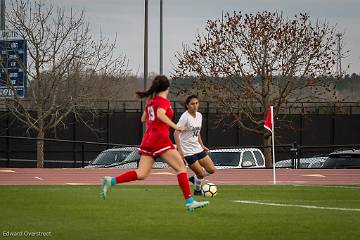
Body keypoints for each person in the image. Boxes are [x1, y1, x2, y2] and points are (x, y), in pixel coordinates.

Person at [101, 75, 209, 211]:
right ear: (167, 87)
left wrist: (154, 123)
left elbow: (143, 119)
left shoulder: (151, 101)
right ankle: (189, 201)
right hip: (160, 139)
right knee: (181, 168)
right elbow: (160, 114)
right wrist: (176, 127)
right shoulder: (163, 101)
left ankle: (111, 181)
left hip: (148, 139)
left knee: (142, 173)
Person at [174, 95, 216, 195]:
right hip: (187, 151)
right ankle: (197, 190)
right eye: (192, 104)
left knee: (211, 170)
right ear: (187, 105)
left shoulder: (199, 115)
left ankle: (194, 178)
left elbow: (198, 132)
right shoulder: (185, 117)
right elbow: (176, 133)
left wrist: (201, 145)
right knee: (201, 173)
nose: (195, 106)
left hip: (197, 148)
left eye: (197, 103)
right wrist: (180, 151)